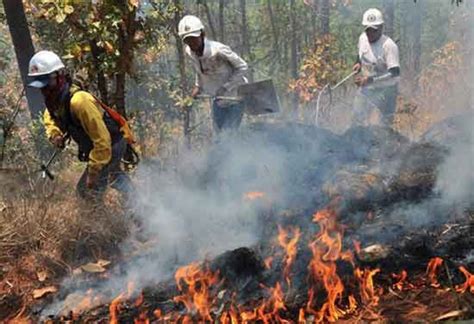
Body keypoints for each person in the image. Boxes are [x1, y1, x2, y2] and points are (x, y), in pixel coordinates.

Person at [28, 50, 134, 203]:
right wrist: (55, 134)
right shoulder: (55, 101)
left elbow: (103, 142)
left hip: (111, 144)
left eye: (47, 84)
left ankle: (102, 225)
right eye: (41, 86)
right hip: (101, 146)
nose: (44, 90)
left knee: (86, 192)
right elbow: (49, 116)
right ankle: (141, 207)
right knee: (115, 176)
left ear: (60, 77)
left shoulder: (80, 101)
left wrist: (93, 172)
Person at [178, 15, 248, 133]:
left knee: (228, 135)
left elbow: (242, 67)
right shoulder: (190, 52)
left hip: (235, 98)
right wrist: (197, 87)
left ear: (202, 34)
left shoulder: (218, 50)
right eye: (187, 40)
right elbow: (199, 70)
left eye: (194, 38)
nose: (191, 43)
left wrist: (225, 87)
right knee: (219, 137)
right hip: (218, 101)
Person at [352, 8, 400, 127]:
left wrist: (370, 80)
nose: (370, 33)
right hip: (367, 88)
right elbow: (360, 54)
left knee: (385, 125)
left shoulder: (389, 46)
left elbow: (395, 72)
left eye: (374, 30)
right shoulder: (362, 38)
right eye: (367, 30)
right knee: (357, 119)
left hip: (386, 90)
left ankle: (385, 144)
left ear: (381, 28)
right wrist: (358, 63)